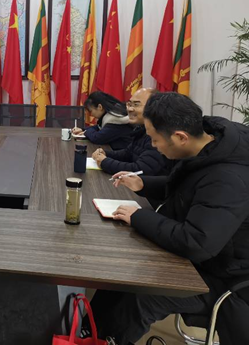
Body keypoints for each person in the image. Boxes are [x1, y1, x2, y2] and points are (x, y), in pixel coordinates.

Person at [89, 93, 249, 345]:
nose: (153, 146)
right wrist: (143, 184)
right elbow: (191, 189)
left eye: (155, 139)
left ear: (180, 137)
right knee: (121, 274)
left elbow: (196, 242)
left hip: (225, 277)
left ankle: (107, 339)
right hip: (207, 258)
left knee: (142, 295)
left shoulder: (228, 179)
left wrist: (138, 216)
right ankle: (87, 330)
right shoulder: (207, 145)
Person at [91, 88, 166, 176]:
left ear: (154, 107)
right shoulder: (141, 129)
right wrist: (105, 153)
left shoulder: (158, 134)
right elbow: (128, 153)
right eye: (129, 104)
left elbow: (141, 170)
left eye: (136, 105)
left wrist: (105, 162)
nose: (129, 109)